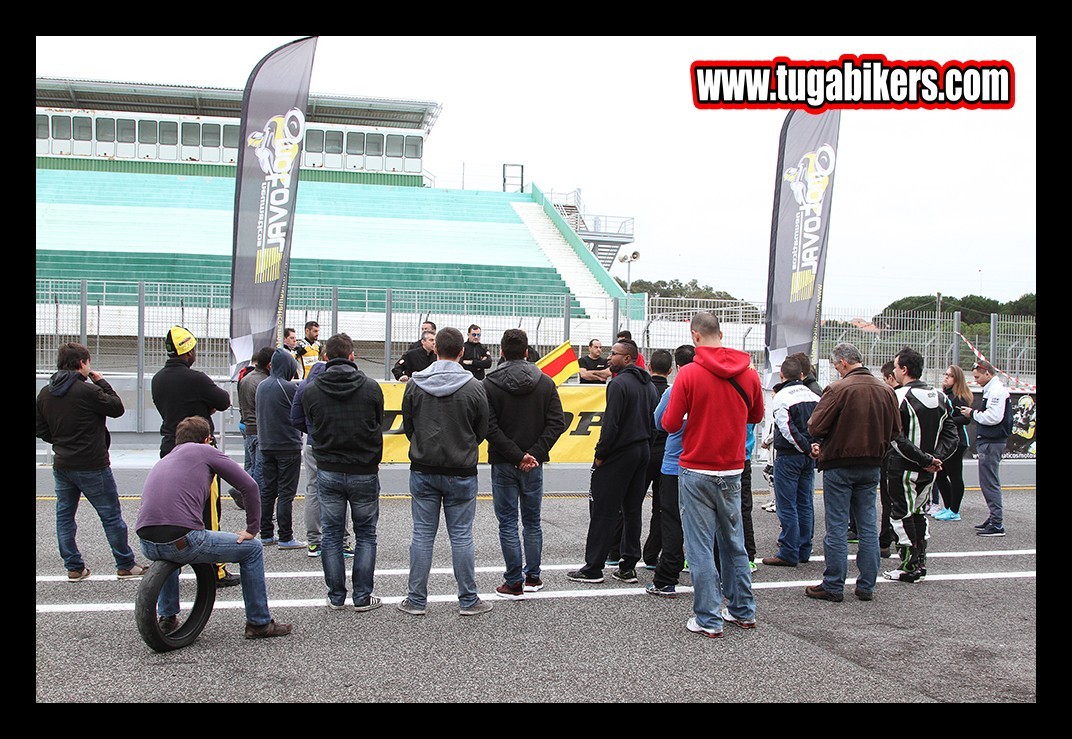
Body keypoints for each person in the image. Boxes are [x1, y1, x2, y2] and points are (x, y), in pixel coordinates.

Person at [135, 416, 292, 640]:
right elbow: (249, 486)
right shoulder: (205, 451)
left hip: (148, 543)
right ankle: (259, 623)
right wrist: (252, 528)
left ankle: (167, 617)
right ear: (207, 439)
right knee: (253, 549)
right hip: (184, 539)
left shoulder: (166, 459)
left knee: (170, 553)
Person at [659, 313, 764, 637]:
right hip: (733, 467)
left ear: (695, 336)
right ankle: (742, 610)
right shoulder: (748, 373)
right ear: (721, 333)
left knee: (700, 546)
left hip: (695, 469)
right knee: (734, 543)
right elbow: (756, 415)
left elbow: (670, 423)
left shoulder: (689, 374)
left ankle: (708, 617)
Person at [399, 327, 493, 616]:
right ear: (462, 352)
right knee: (462, 536)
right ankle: (468, 599)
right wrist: (464, 446)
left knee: (422, 535)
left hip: (424, 467)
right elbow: (481, 429)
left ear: (434, 348)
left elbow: (409, 425)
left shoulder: (415, 383)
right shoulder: (475, 386)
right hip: (461, 468)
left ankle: (416, 600)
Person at [36, 342, 148, 582]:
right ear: (81, 364)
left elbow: (39, 427)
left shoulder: (46, 393)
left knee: (65, 516)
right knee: (110, 515)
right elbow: (117, 407)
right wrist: (102, 382)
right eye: (88, 363)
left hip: (63, 463)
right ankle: (125, 564)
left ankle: (74, 567)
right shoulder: (87, 391)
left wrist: (59, 440)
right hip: (92, 464)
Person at [805, 342, 900, 603]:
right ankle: (867, 585)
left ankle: (834, 584)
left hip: (839, 463)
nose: (836, 370)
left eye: (836, 365)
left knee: (836, 526)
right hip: (872, 463)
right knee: (868, 525)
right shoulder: (886, 390)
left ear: (844, 363)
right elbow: (895, 431)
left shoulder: (838, 389)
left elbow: (815, 426)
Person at [298, 333, 385, 611]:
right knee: (366, 534)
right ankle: (362, 596)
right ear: (352, 356)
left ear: (324, 357)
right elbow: (377, 423)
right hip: (363, 468)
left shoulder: (311, 390)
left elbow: (304, 422)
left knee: (332, 535)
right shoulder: (371, 387)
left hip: (329, 468)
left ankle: (336, 596)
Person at [151, 326, 238, 587]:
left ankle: (171, 570)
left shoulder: (158, 379)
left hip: (169, 447)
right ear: (188, 351)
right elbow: (223, 400)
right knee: (208, 511)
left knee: (173, 509)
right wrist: (204, 408)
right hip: (199, 451)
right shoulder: (196, 379)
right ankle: (215, 571)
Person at [567, 340, 659, 585]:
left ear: (627, 358)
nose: (609, 357)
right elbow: (653, 425)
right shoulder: (648, 385)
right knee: (632, 510)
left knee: (603, 510)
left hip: (619, 453)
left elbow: (611, 425)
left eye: (614, 354)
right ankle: (628, 567)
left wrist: (600, 454)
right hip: (641, 452)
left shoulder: (618, 384)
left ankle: (593, 568)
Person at [484, 328, 567, 599]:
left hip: (504, 461)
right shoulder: (545, 382)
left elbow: (488, 427)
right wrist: (533, 453)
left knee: (507, 522)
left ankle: (513, 581)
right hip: (533, 463)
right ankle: (533, 576)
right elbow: (558, 422)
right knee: (531, 522)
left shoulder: (489, 383)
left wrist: (516, 455)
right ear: (528, 351)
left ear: (501, 353)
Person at [883, 347, 959, 583]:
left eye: (896, 367)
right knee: (918, 513)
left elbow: (895, 436)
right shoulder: (941, 396)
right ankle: (920, 563)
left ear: (904, 369)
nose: (894, 371)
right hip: (930, 470)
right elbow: (952, 436)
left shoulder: (898, 396)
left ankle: (909, 566)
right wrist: (935, 459)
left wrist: (926, 459)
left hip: (904, 466)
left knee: (900, 514)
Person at [290, 345, 354, 559]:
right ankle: (342, 541)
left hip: (312, 443)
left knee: (313, 489)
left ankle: (314, 542)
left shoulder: (307, 384)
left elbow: (295, 417)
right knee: (340, 489)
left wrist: (310, 430)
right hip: (335, 443)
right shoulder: (336, 383)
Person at [761, 354, 821, 568]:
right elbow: (821, 424)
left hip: (789, 456)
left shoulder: (782, 396)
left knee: (786, 504)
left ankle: (789, 550)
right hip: (809, 456)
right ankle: (804, 547)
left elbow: (786, 429)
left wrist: (805, 446)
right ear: (802, 374)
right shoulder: (814, 395)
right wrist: (814, 446)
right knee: (805, 502)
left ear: (782, 375)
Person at [645, 344, 694, 598]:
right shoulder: (714, 386)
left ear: (677, 367)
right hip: (706, 463)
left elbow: (659, 421)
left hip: (675, 464)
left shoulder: (675, 389)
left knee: (672, 520)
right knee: (706, 523)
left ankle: (666, 577)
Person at [255, 348, 305, 550]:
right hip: (287, 446)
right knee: (286, 493)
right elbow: (300, 414)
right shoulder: (289, 387)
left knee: (267, 491)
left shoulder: (261, 386)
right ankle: (286, 536)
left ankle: (265, 533)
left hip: (266, 444)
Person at [962, 359, 1012, 537]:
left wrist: (973, 413)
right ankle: (993, 518)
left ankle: (997, 523)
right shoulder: (991, 390)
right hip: (990, 440)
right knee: (988, 482)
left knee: (989, 482)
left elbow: (993, 417)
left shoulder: (997, 391)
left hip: (992, 441)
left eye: (977, 377)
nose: (975, 380)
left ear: (987, 374)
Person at [640, 349, 672, 569]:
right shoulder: (673, 392)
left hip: (643, 451)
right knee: (662, 508)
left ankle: (620, 551)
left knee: (630, 504)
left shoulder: (641, 390)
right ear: (670, 371)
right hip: (667, 455)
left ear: (649, 367)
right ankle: (651, 554)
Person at [933, 364, 974, 522]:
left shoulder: (960, 396)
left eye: (950, 375)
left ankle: (955, 510)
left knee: (955, 475)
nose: (946, 377)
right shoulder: (946, 394)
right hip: (947, 440)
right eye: (945, 374)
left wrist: (946, 420)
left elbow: (965, 418)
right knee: (940, 475)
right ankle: (949, 507)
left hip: (958, 441)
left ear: (957, 379)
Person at [236, 347, 273, 498]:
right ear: (270, 364)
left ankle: (243, 492)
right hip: (259, 429)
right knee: (260, 470)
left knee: (250, 465)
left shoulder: (245, 379)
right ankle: (252, 499)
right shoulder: (265, 383)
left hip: (247, 426)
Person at [877, 360, 899, 557]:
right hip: (918, 457)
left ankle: (885, 540)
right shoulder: (935, 396)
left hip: (893, 456)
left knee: (889, 500)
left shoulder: (893, 396)